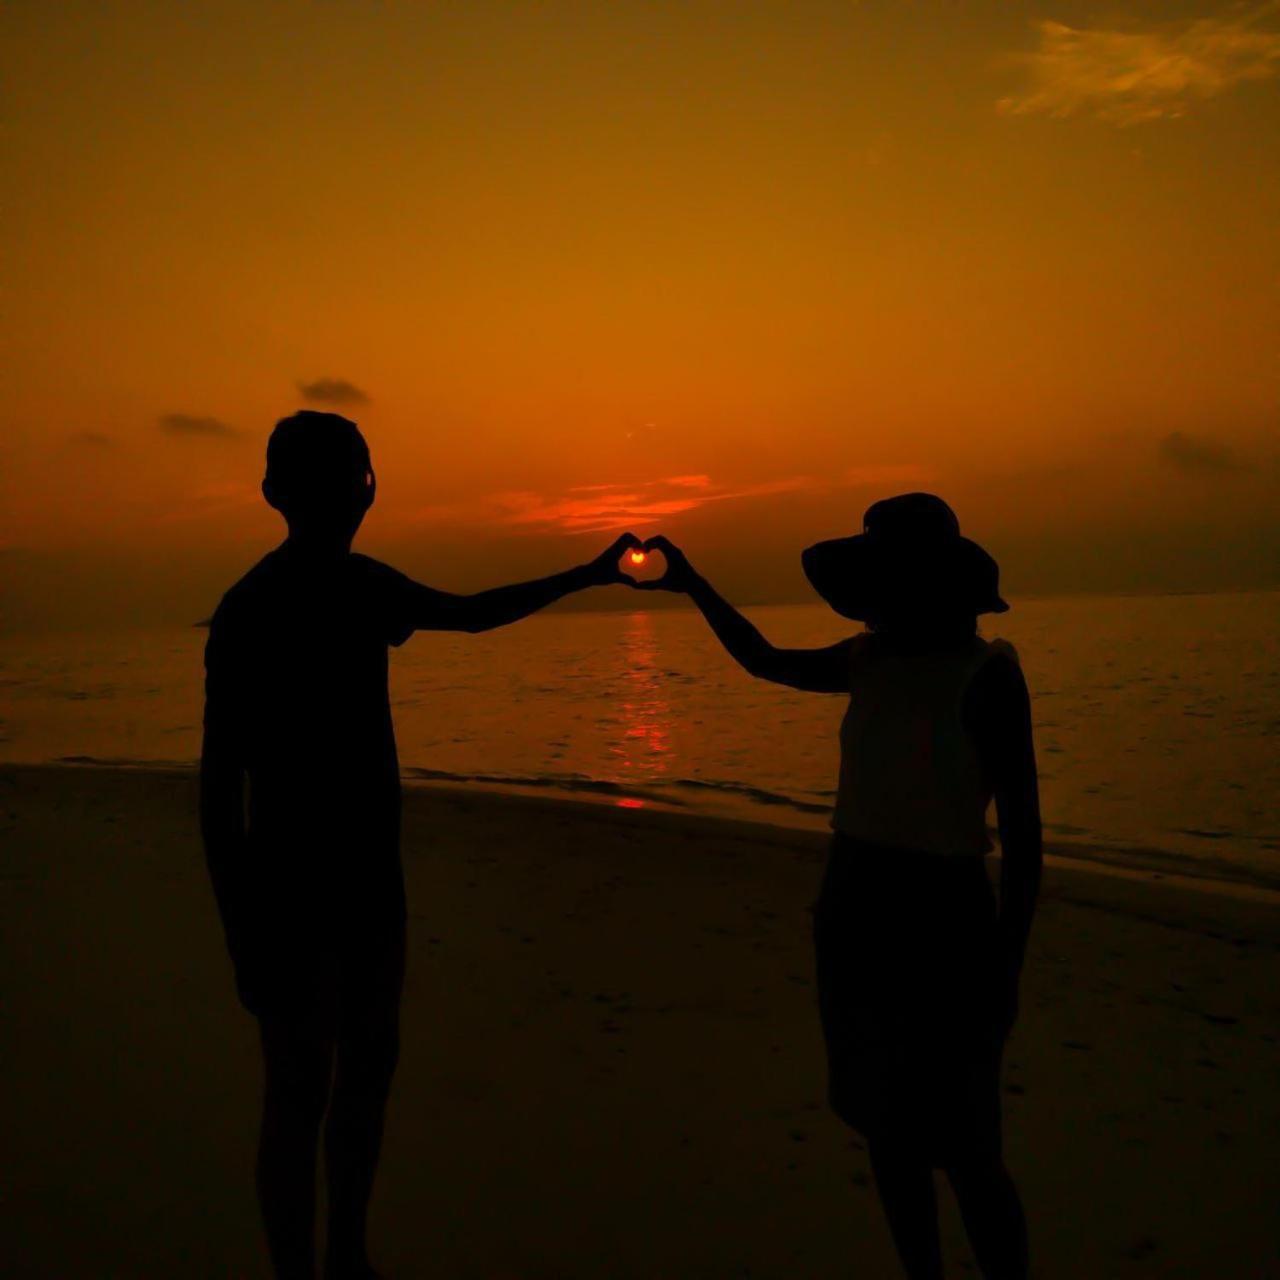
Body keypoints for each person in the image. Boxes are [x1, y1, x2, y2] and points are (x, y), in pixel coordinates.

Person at [200, 410, 640, 1280]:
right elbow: (221, 787)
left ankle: (343, 1258)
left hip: (354, 886)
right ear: (293, 495)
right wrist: (240, 926)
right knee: (312, 1089)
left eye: (354, 477)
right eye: (347, 478)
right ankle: (320, 1264)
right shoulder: (270, 605)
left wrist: (587, 575)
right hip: (302, 890)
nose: (352, 495)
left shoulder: (325, 592)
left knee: (347, 1077)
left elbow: (472, 616)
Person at [635, 494, 1041, 1280]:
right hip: (856, 901)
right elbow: (764, 660)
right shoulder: (868, 660)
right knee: (888, 1135)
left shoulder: (987, 674)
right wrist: (692, 585)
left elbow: (1023, 839)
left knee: (967, 1145)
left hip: (945, 918)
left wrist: (1007, 963)